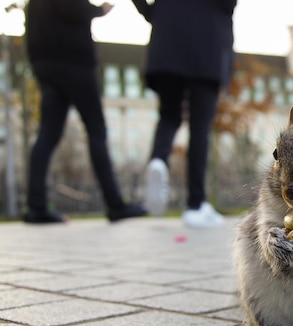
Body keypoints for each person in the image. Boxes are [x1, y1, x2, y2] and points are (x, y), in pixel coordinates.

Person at [23, 0, 147, 224]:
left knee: (47, 135)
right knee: (96, 131)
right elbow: (73, 9)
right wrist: (99, 10)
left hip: (45, 64)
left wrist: (37, 62)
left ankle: (36, 205)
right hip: (74, 62)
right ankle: (115, 204)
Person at [131, 0, 236, 228]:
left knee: (169, 116)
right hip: (207, 48)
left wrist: (153, 13)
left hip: (167, 42)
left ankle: (158, 160)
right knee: (200, 128)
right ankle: (195, 204)